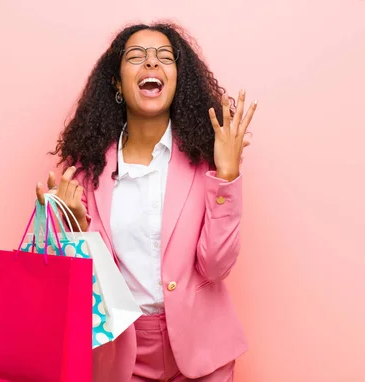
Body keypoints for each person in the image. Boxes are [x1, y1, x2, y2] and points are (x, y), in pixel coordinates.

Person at [36, 21, 257, 382]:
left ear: (177, 79)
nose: (151, 64)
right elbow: (85, 290)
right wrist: (76, 230)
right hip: (121, 356)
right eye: (136, 57)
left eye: (164, 57)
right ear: (117, 82)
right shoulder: (85, 169)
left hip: (203, 354)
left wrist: (226, 176)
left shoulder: (207, 162)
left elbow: (216, 266)